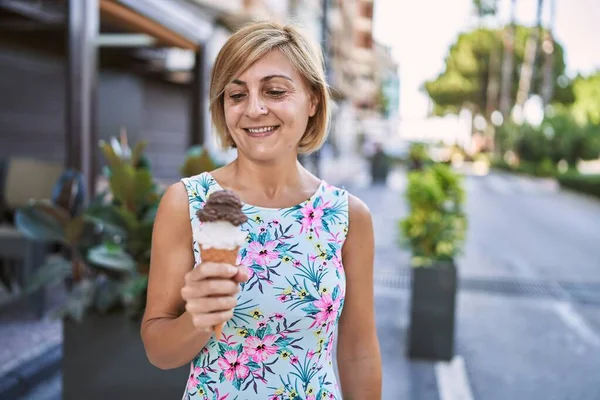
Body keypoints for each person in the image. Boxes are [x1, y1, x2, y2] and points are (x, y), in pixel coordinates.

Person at [141, 21, 382, 400]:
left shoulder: (349, 216)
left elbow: (359, 352)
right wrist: (199, 319)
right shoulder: (186, 202)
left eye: (274, 91)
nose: (254, 109)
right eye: (236, 95)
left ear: (313, 100)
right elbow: (158, 350)